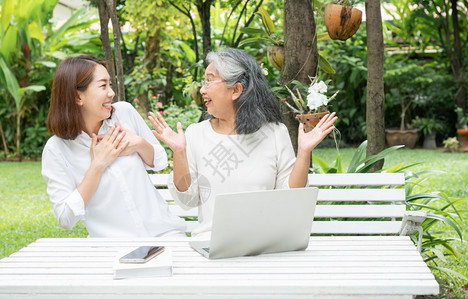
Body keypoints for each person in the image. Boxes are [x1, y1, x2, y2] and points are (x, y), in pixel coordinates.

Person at [149, 48, 337, 237]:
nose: (202, 90)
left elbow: (289, 196)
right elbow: (187, 201)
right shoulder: (196, 134)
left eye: (209, 80)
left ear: (236, 90)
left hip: (264, 244)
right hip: (213, 243)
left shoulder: (274, 133)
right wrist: (179, 152)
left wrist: (304, 152)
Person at [42, 55, 185, 237]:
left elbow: (160, 161)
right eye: (103, 86)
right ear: (78, 97)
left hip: (165, 234)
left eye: (110, 85)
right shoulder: (57, 149)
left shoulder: (124, 113)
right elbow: (65, 218)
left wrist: (139, 144)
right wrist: (97, 166)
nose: (111, 93)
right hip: (112, 247)